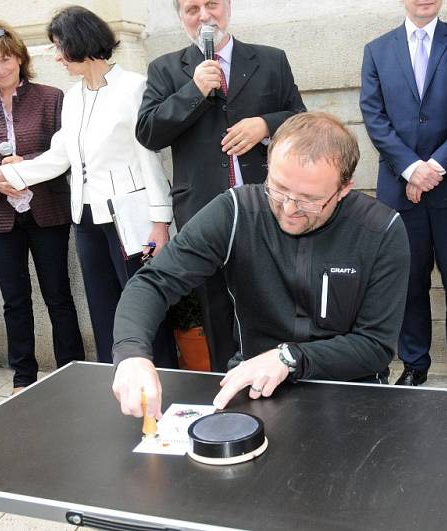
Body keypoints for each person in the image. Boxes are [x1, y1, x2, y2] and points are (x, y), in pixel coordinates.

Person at [111, 112, 409, 418]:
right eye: (278, 189)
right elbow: (154, 282)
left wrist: (289, 358)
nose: (290, 209)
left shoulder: (381, 230)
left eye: (309, 199)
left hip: (352, 392)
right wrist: (131, 354)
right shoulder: (236, 212)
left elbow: (375, 346)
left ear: (345, 188)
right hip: (253, 387)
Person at [0, 6, 176, 367]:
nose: (57, 56)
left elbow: (150, 159)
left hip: (130, 218)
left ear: (81, 42)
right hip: (86, 217)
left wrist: (160, 221)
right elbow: (58, 157)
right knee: (103, 307)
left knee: (143, 304)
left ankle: (165, 376)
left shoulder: (135, 87)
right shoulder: (74, 96)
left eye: (59, 46)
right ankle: (118, 379)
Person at [135, 0, 306, 372]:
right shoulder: (165, 69)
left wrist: (265, 125)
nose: (203, 16)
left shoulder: (270, 59)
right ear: (181, 17)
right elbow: (148, 132)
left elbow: (300, 120)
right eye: (192, 9)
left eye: (211, 4)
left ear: (227, 7)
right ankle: (221, 383)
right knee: (213, 303)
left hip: (267, 207)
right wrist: (193, 90)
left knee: (274, 295)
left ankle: (277, 374)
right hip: (203, 210)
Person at [360, 0, 447, 389]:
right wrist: (413, 169)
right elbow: (374, 116)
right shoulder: (377, 50)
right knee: (408, 280)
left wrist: (435, 168)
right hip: (400, 191)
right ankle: (414, 363)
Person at [0, 22, 85, 394]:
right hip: (1, 217)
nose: (0, 69)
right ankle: (23, 378)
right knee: (14, 301)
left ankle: (73, 368)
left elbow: (64, 154)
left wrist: (23, 165)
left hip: (47, 211)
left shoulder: (51, 97)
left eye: (6, 59)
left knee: (58, 295)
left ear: (20, 58)